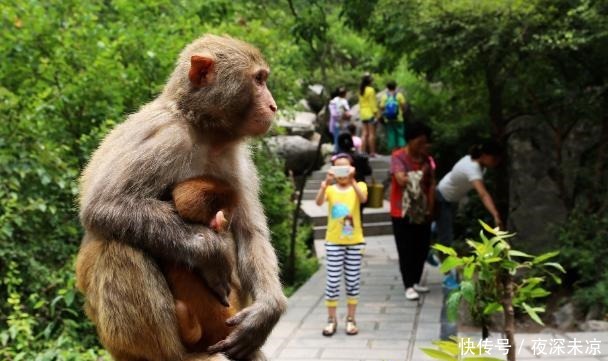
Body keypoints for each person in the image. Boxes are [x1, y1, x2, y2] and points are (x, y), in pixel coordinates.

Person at [436, 141, 503, 289]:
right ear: (485, 156)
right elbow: (483, 194)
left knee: (442, 230)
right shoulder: (472, 168)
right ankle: (447, 277)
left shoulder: (478, 164)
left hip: (451, 199)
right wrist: (495, 214)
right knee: (446, 239)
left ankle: (429, 242)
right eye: (494, 159)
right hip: (442, 198)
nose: (496, 163)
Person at [315, 153, 368, 336]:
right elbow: (319, 202)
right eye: (338, 168)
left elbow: (363, 199)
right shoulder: (330, 188)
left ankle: (351, 319)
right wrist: (325, 184)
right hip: (333, 242)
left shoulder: (359, 185)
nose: (342, 172)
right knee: (332, 282)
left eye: (346, 168)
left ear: (352, 168)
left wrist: (353, 179)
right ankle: (331, 319)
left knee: (353, 282)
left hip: (354, 242)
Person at [389, 122, 435, 301]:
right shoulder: (398, 157)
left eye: (425, 142)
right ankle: (408, 284)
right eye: (420, 142)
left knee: (422, 246)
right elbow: (401, 180)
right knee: (406, 248)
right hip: (402, 210)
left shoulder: (427, 159)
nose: (422, 146)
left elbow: (432, 183)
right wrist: (421, 173)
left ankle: (415, 280)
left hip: (422, 210)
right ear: (410, 140)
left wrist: (431, 207)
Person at [379, 80, 407, 151]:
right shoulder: (399, 95)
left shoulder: (384, 96)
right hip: (398, 118)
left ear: (387, 88)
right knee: (400, 134)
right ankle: (402, 151)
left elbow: (382, 107)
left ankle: (394, 152)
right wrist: (402, 112)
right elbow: (403, 106)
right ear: (395, 87)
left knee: (391, 134)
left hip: (388, 119)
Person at [358, 73, 379, 157]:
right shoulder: (370, 90)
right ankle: (372, 152)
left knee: (364, 134)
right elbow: (372, 103)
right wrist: (376, 113)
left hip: (363, 113)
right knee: (371, 134)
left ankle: (362, 152)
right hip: (370, 113)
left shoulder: (361, 90)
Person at [328, 87, 351, 153]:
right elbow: (334, 114)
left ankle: (342, 153)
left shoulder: (344, 101)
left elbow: (347, 112)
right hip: (336, 124)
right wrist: (343, 115)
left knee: (343, 139)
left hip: (343, 125)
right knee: (337, 140)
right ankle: (337, 154)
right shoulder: (333, 102)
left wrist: (347, 115)